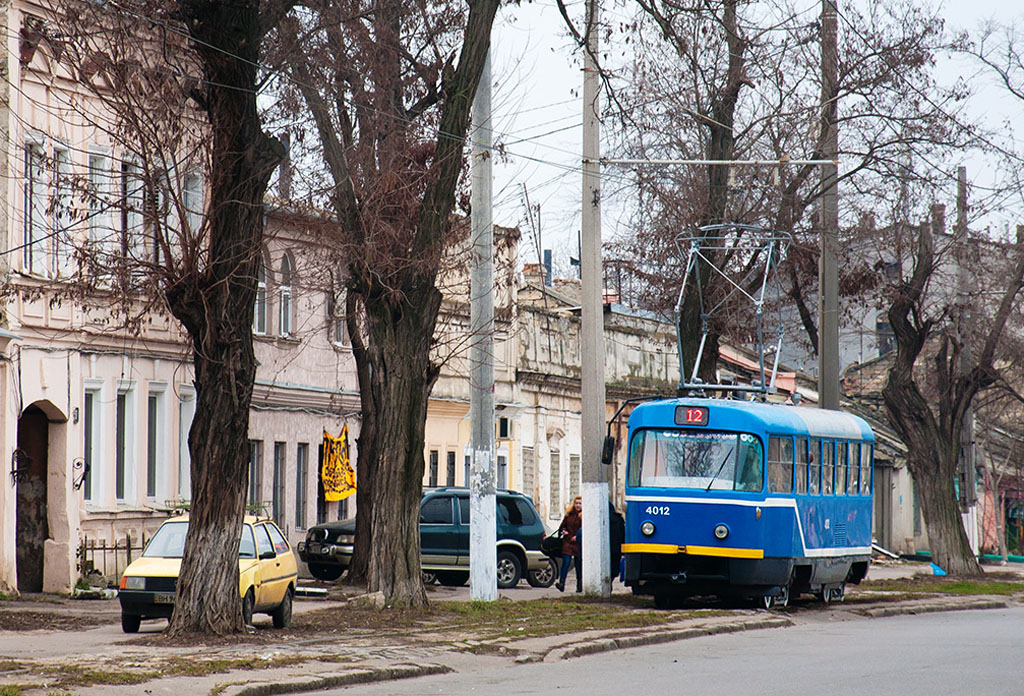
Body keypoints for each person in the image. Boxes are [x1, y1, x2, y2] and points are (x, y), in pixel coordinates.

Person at [555, 496, 582, 592]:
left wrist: (578, 536)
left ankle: (579, 585)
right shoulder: (569, 514)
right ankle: (561, 583)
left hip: (578, 543)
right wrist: (563, 531)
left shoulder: (584, 516)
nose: (578, 505)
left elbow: (585, 529)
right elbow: (562, 526)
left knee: (578, 564)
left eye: (580, 503)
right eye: (576, 503)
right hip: (567, 541)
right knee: (566, 562)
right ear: (573, 504)